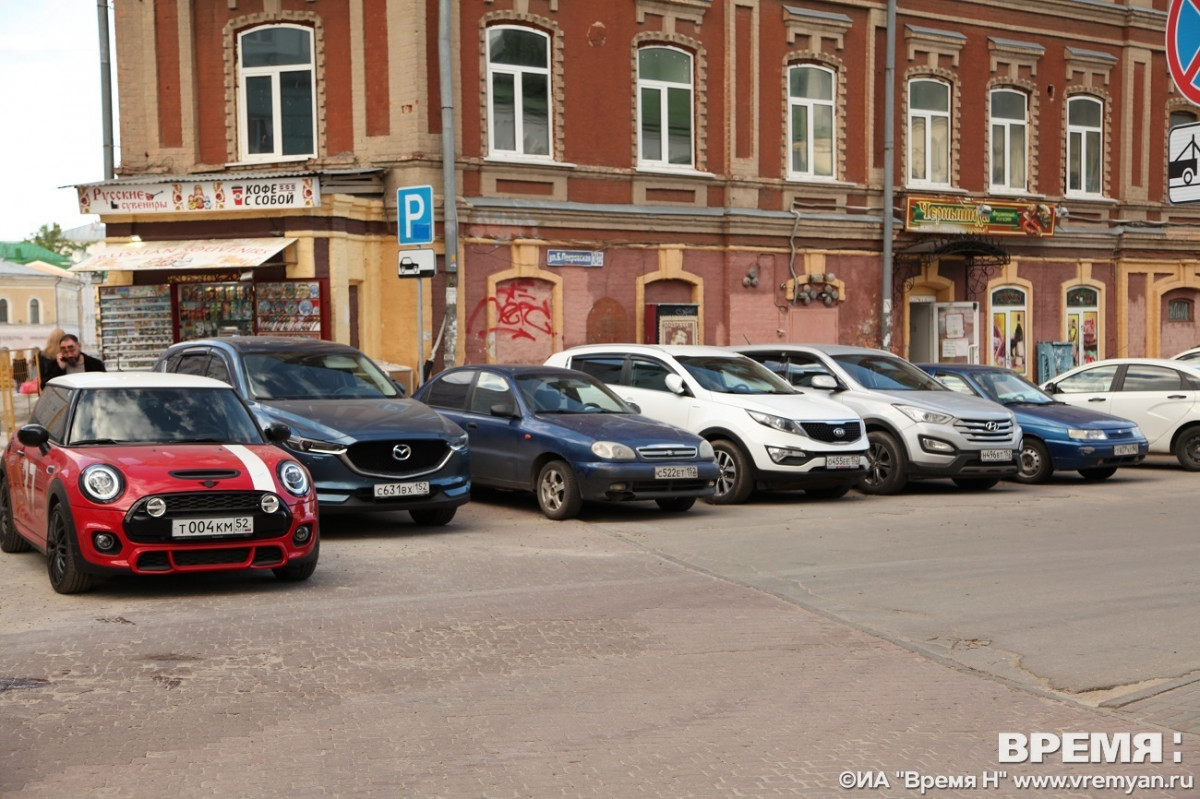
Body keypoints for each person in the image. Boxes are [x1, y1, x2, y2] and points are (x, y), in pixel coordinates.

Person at [40, 333, 105, 386]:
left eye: (72, 350)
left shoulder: (95, 364)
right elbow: (44, 387)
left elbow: (105, 383)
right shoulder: (54, 366)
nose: (69, 355)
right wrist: (59, 369)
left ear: (79, 346)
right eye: (65, 352)